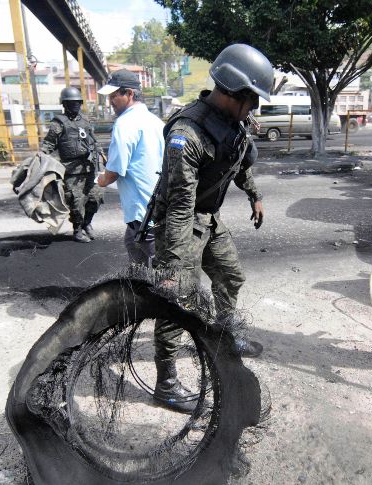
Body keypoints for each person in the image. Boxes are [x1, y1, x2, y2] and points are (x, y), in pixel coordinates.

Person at [149, 43, 271, 413]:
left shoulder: (234, 121)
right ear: (234, 92)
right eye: (253, 99)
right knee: (178, 299)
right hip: (181, 221)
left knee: (230, 275)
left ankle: (225, 334)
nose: (256, 108)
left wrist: (254, 196)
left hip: (208, 218)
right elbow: (180, 205)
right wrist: (173, 265)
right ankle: (166, 383)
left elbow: (240, 160)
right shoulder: (187, 133)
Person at [96, 69, 165, 267]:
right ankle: (138, 292)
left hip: (142, 208)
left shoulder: (125, 123)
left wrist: (101, 179)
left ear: (130, 94)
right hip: (157, 204)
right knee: (133, 245)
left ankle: (176, 296)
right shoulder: (156, 122)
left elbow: (114, 172)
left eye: (114, 95)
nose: (110, 100)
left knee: (157, 261)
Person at [41, 86, 104, 243]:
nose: (75, 105)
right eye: (71, 103)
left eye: (77, 102)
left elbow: (93, 140)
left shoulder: (85, 121)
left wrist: (102, 154)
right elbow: (48, 144)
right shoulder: (58, 123)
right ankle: (77, 230)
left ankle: (87, 223)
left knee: (95, 198)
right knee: (76, 201)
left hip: (89, 167)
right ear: (65, 104)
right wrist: (41, 157)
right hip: (71, 171)